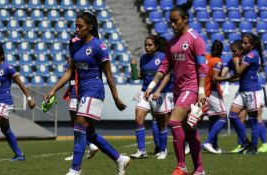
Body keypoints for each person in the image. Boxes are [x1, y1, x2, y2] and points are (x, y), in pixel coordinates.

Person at [45, 11, 129, 175]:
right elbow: (70, 72)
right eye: (75, 26)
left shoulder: (99, 46)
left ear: (90, 27)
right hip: (80, 90)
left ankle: (75, 170)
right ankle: (120, 159)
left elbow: (109, 74)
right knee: (89, 134)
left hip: (94, 89)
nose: (76, 29)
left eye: (80, 26)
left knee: (79, 125)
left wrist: (116, 97)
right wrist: (53, 90)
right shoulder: (75, 45)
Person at [145, 1, 208, 174]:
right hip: (178, 90)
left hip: (192, 88)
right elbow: (165, 67)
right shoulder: (171, 43)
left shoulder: (196, 39)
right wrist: (151, 85)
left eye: (175, 21)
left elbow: (203, 67)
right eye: (170, 21)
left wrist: (201, 91)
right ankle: (200, 170)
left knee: (173, 121)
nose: (172, 24)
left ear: (185, 19)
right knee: (189, 130)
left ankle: (181, 166)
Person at [0, 44, 36, 162]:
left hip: (5, 102)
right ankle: (19, 154)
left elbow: (20, 83)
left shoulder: (8, 68)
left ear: (2, 55)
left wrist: (29, 98)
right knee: (6, 129)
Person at [130, 35, 173, 160]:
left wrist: (158, 91)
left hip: (159, 94)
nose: (147, 47)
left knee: (161, 123)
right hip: (145, 92)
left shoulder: (162, 56)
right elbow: (141, 76)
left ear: (156, 46)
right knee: (138, 118)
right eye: (146, 45)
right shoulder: (143, 58)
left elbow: (166, 76)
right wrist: (133, 70)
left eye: (150, 45)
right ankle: (141, 150)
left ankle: (163, 150)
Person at [228, 34, 265, 154]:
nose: (243, 45)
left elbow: (239, 71)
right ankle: (246, 142)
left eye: (245, 43)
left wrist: (235, 61)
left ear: (252, 45)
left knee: (254, 120)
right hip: (243, 89)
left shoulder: (251, 55)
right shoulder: (248, 55)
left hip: (251, 90)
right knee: (232, 115)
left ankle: (253, 148)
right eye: (242, 43)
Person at [62, 55, 99, 161]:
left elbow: (69, 76)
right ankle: (89, 145)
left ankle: (88, 146)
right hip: (83, 91)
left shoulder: (74, 62)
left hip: (76, 92)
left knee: (76, 124)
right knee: (82, 124)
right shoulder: (77, 60)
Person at [202, 40, 235, 154]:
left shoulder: (207, 58)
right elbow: (215, 78)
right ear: (221, 51)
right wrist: (229, 78)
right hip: (212, 92)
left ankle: (214, 146)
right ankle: (208, 142)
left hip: (204, 91)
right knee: (222, 117)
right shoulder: (218, 61)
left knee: (213, 118)